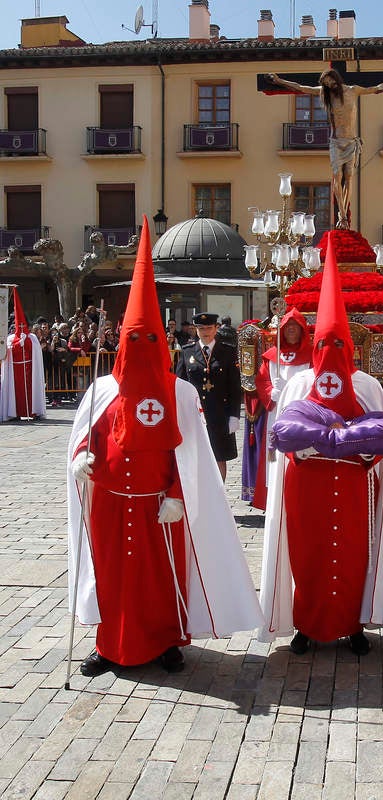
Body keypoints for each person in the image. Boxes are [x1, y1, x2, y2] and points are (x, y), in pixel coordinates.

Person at [67, 217, 263, 678]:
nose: (141, 345)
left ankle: (165, 641)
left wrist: (177, 495)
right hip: (110, 504)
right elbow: (87, 439)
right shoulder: (101, 390)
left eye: (149, 338)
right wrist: (80, 460)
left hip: (158, 506)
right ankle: (110, 645)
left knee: (161, 576)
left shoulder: (179, 393)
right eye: (133, 338)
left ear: (163, 342)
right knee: (112, 575)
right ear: (122, 342)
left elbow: (189, 454)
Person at [258, 232, 383, 656]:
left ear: (352, 346)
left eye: (338, 344)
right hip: (305, 486)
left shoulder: (367, 387)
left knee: (352, 554)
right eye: (325, 343)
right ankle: (306, 625)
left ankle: (352, 624)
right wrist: (314, 443)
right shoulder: (299, 385)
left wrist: (357, 447)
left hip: (354, 486)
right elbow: (282, 437)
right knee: (307, 553)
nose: (331, 351)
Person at [267, 68, 383, 228]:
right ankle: (342, 215)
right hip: (336, 142)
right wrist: (279, 81)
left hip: (351, 142)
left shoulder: (353, 90)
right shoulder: (325, 93)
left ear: (335, 77)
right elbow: (300, 88)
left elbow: (377, 88)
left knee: (349, 177)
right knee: (337, 176)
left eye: (330, 81)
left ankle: (343, 216)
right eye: (326, 83)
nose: (330, 85)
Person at [248, 308, 312, 510]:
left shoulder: (311, 355)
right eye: (288, 326)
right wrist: (271, 392)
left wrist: (295, 392)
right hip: (276, 412)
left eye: (295, 326)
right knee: (274, 454)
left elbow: (316, 380)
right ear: (282, 330)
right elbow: (262, 379)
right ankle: (274, 497)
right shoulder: (272, 356)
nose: (291, 330)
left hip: (302, 412)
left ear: (302, 330)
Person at [176, 312, 242, 482]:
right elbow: (179, 385)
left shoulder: (227, 351)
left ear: (216, 328)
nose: (205, 332)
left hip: (220, 414)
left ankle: (219, 492)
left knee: (219, 456)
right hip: (195, 415)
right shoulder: (187, 352)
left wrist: (234, 415)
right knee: (195, 455)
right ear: (195, 329)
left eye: (209, 328)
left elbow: (234, 386)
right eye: (201, 328)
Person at [0, 288, 46, 422]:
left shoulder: (32, 337)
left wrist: (26, 342)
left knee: (30, 391)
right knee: (17, 393)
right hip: (15, 370)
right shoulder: (10, 338)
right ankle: (15, 412)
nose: (20, 326)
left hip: (30, 369)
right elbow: (7, 352)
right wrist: (18, 344)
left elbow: (35, 352)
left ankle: (33, 411)